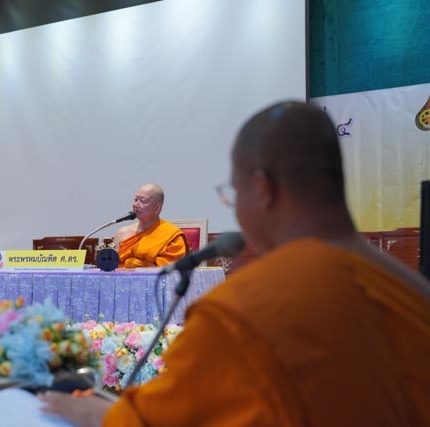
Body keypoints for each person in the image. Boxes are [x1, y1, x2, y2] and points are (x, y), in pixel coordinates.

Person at [38, 101, 430, 426]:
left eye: (234, 193)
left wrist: (87, 411)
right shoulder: (414, 292)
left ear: (262, 188)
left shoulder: (238, 312)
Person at [113, 183, 190, 268]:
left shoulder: (172, 237)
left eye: (142, 201)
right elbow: (110, 267)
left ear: (157, 208)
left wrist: (135, 264)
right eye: (135, 200)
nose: (136, 205)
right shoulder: (122, 233)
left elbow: (171, 270)